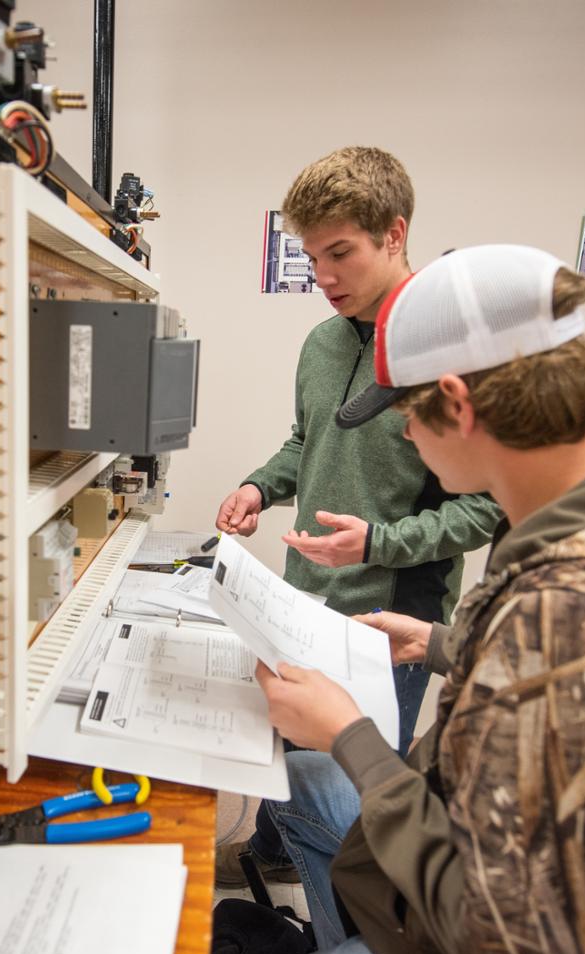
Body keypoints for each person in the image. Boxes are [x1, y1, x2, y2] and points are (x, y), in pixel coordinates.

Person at [254, 243, 585, 954]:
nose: (404, 432)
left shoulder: (577, 613)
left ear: (458, 404)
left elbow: (499, 931)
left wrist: (351, 738)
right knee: (303, 791)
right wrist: (445, 644)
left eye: (407, 412)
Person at [213, 148, 501, 887]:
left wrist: (379, 540)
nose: (326, 277)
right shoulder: (320, 341)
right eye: (313, 258)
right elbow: (309, 440)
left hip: (391, 622)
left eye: (341, 253)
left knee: (356, 816)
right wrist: (257, 486)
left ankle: (347, 920)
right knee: (292, 752)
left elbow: (483, 506)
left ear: (394, 234)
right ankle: (278, 853)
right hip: (303, 592)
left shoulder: (444, 352)